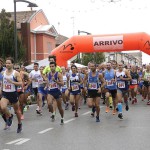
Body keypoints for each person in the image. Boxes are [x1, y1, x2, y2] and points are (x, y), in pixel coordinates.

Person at [0, 57, 23, 133]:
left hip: (13, 93)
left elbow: (20, 83)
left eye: (9, 63)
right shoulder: (3, 73)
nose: (7, 64)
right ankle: (10, 116)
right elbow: (2, 83)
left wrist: (12, 82)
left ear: (12, 64)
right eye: (6, 63)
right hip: (5, 93)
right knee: (3, 107)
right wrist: (1, 91)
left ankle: (19, 123)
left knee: (17, 111)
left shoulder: (15, 73)